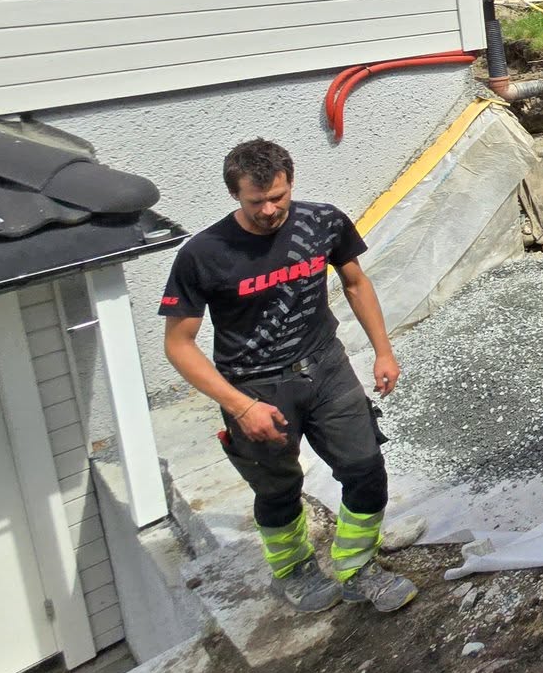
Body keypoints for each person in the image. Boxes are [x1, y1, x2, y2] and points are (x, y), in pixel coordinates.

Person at [159, 139, 417, 614]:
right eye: (256, 201)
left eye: (278, 197)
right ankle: (293, 570)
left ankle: (357, 566)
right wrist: (241, 406)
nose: (269, 210)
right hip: (255, 386)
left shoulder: (323, 222)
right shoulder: (204, 254)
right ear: (235, 195)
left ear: (291, 182)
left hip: (326, 366)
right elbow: (178, 344)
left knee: (365, 468)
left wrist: (384, 351)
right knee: (277, 489)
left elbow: (355, 282)